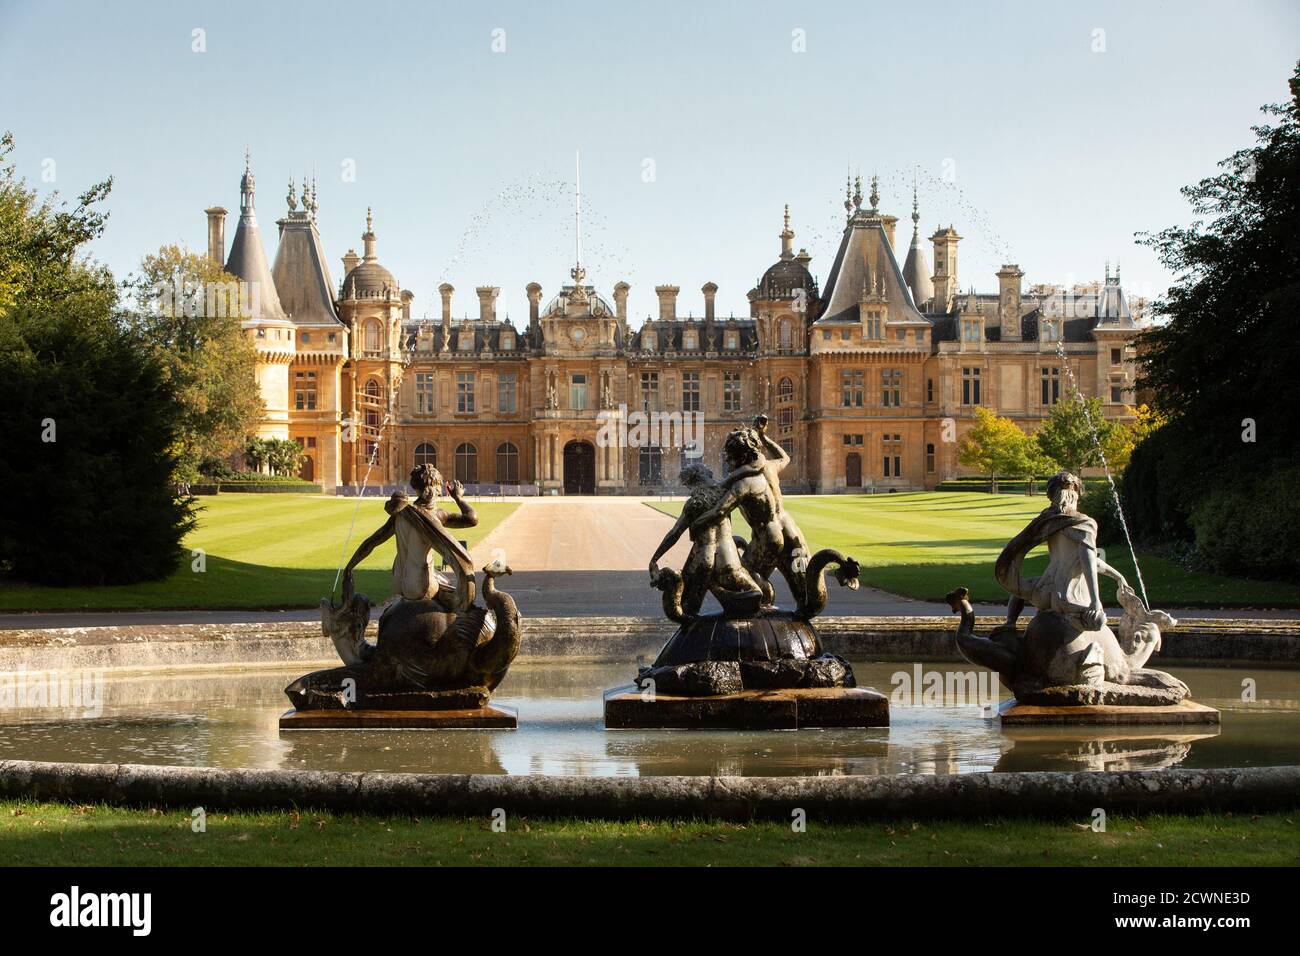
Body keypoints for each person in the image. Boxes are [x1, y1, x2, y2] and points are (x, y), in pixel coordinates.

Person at [690, 415, 810, 606]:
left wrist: (695, 524)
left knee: (744, 580)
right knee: (806, 596)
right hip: (789, 528)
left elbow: (719, 511)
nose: (728, 462)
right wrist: (763, 437)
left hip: (767, 538)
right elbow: (784, 457)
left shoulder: (742, 483)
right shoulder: (769, 467)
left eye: (730, 457)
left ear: (741, 456)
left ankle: (765, 609)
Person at [340, 464, 478, 613]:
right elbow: (472, 519)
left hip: (400, 583)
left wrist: (349, 567)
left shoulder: (400, 514)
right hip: (422, 585)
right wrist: (458, 498)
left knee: (441, 578)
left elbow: (371, 543)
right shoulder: (436, 515)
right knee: (462, 608)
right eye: (438, 489)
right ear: (434, 488)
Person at [649, 461, 763, 617]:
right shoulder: (724, 492)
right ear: (704, 475)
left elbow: (674, 534)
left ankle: (713, 596)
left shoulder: (693, 503)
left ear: (693, 483)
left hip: (703, 560)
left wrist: (655, 558)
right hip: (728, 558)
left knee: (686, 610)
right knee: (752, 597)